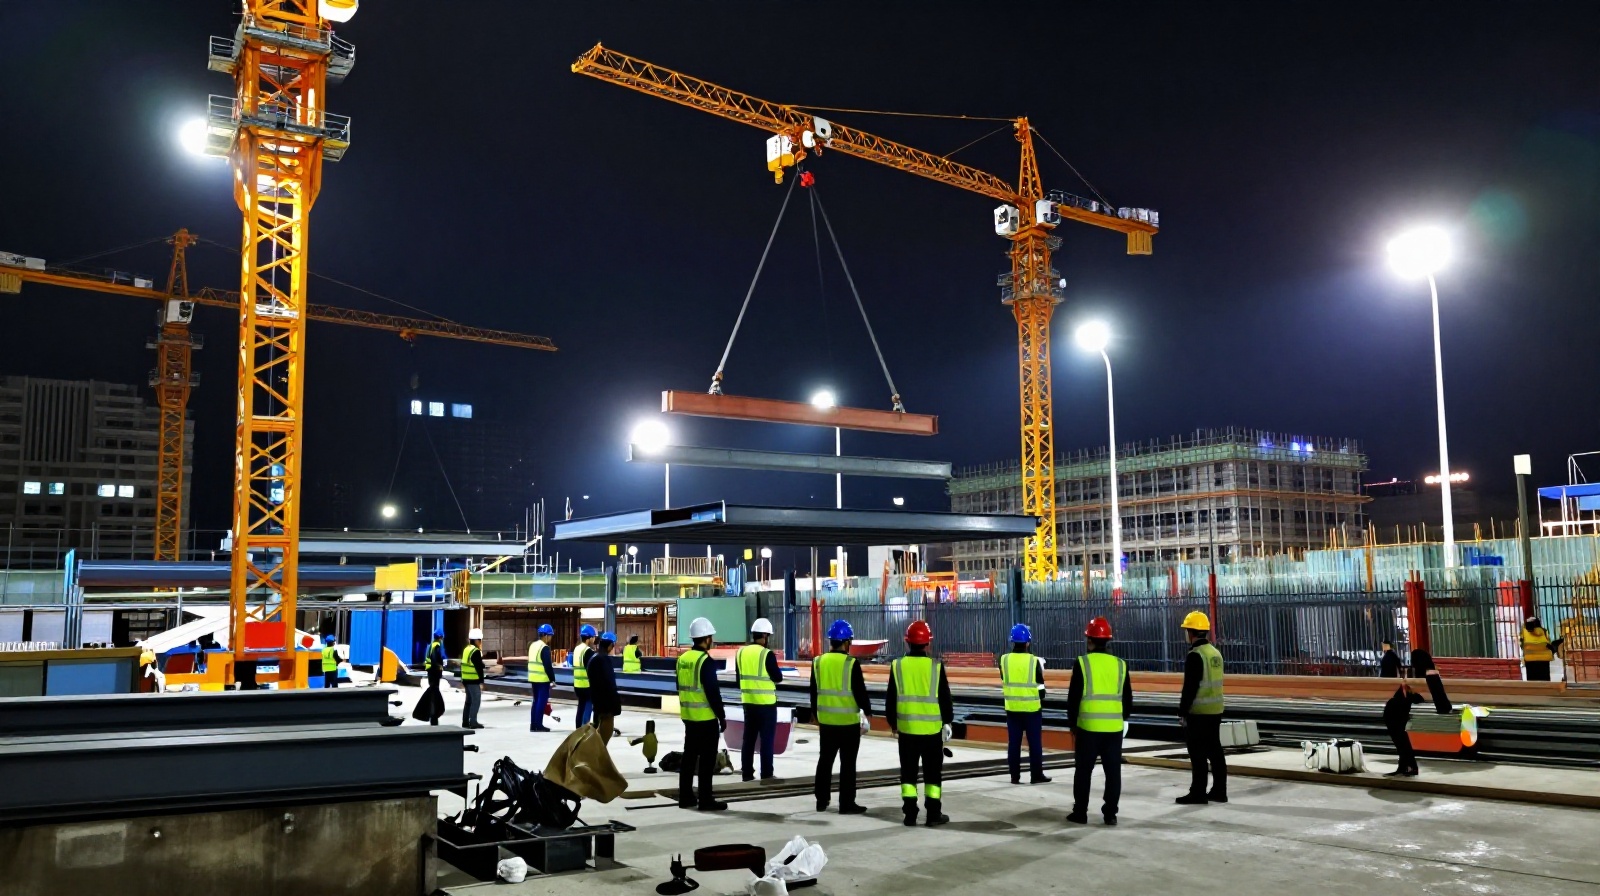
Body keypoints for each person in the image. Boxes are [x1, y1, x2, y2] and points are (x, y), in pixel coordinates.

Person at [886, 620, 954, 827]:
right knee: (933, 776)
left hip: (907, 732)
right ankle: (933, 814)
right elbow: (945, 698)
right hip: (932, 732)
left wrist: (893, 724)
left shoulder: (897, 666)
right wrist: (948, 722)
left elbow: (891, 699)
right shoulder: (936, 666)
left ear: (907, 642)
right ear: (927, 643)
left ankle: (910, 814)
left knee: (908, 775)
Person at [1067, 616, 1133, 825]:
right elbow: (1128, 700)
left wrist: (1073, 725)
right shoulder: (1121, 665)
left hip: (1088, 728)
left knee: (1083, 772)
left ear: (1090, 640)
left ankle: (1080, 813)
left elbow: (1073, 698)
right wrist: (1120, 719)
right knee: (1113, 772)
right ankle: (1110, 813)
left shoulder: (1082, 663)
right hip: (1113, 729)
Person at [810, 619, 872, 814]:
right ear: (846, 642)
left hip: (827, 722)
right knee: (847, 765)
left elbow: (813, 692)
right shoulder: (851, 663)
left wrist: (816, 716)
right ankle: (846, 803)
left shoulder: (818, 662)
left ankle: (821, 800)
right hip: (848, 724)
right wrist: (868, 712)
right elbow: (860, 692)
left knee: (825, 761)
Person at [676, 617, 727, 811]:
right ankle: (705, 800)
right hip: (705, 719)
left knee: (689, 758)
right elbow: (712, 692)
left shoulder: (682, 660)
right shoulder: (705, 661)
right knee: (706, 762)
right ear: (705, 638)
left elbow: (678, 686)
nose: (711, 640)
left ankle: (685, 797)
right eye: (710, 637)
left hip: (689, 717)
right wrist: (721, 716)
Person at [1176, 611, 1226, 805]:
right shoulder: (1215, 653)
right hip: (1216, 710)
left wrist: (1182, 711)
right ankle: (1219, 791)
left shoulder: (1195, 655)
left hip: (1198, 713)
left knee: (1197, 755)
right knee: (1215, 751)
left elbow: (1190, 687)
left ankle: (1198, 792)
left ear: (1191, 632)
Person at [1000, 623, 1050, 785]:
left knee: (1014, 744)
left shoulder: (1004, 660)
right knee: (1034, 743)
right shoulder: (1034, 661)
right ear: (1028, 642)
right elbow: (1041, 691)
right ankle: (1036, 775)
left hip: (1012, 709)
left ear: (1012, 641)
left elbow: (1005, 679)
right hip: (1031, 710)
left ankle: (1015, 776)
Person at [737, 618, 784, 781]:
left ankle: (747, 774)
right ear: (764, 635)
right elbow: (778, 677)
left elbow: (738, 679)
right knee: (766, 741)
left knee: (748, 740)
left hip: (748, 703)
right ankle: (766, 774)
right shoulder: (766, 654)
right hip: (766, 705)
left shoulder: (741, 653)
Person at [1383, 671, 1424, 777]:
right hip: (1395, 725)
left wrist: (1410, 690)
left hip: (1397, 725)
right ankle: (1405, 767)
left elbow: (1419, 699)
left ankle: (1410, 768)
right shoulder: (1400, 697)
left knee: (1404, 747)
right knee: (1403, 747)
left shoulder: (1406, 698)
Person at [587, 631, 622, 742]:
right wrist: (615, 703)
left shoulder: (594, 658)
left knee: (598, 729)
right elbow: (609, 682)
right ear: (611, 645)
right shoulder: (604, 659)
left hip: (597, 701)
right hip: (606, 703)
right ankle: (598, 755)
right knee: (605, 733)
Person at [529, 623, 555, 732]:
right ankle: (539, 725)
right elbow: (547, 665)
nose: (550, 638)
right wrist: (552, 679)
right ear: (546, 636)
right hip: (542, 679)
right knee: (541, 702)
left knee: (535, 701)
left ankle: (533, 724)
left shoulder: (533, 645)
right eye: (550, 636)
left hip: (533, 678)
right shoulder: (544, 648)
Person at [572, 624, 598, 729]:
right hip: (586, 684)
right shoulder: (588, 651)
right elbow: (591, 668)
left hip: (577, 684)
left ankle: (578, 728)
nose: (594, 639)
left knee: (581, 706)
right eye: (593, 637)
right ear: (589, 638)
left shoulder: (577, 649)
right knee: (588, 706)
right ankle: (584, 727)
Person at [1411, 648, 1452, 714]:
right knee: (1438, 691)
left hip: (1428, 673)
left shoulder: (1416, 654)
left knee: (1436, 692)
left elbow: (1416, 666)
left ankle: (1442, 708)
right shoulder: (1423, 654)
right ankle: (1445, 707)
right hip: (1432, 672)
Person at [1522, 616, 1563, 682]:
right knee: (1544, 677)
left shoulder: (1524, 632)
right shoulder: (1544, 631)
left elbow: (1521, 642)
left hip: (1530, 657)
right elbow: (1548, 641)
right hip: (1544, 657)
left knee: (1532, 678)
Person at [461, 628, 486, 729]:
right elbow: (478, 667)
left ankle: (465, 722)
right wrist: (482, 681)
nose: (480, 643)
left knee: (469, 701)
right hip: (473, 680)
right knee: (476, 700)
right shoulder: (475, 651)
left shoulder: (467, 649)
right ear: (476, 640)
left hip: (466, 679)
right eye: (480, 640)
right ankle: (473, 722)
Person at [422, 628, 447, 725]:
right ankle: (434, 715)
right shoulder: (437, 645)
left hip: (430, 671)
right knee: (434, 693)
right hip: (434, 671)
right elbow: (436, 658)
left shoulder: (431, 645)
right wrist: (440, 665)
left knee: (433, 692)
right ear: (440, 637)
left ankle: (433, 714)